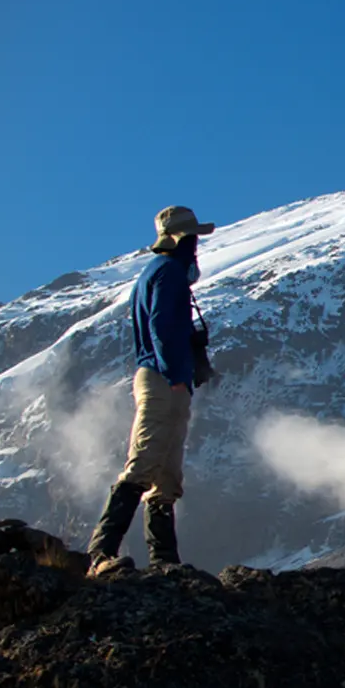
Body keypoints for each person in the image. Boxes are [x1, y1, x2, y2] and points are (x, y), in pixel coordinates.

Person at [87, 206, 214, 574]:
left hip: (163, 377)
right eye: (192, 238)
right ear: (182, 239)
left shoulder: (153, 273)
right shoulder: (170, 273)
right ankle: (100, 555)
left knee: (166, 471)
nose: (195, 246)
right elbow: (160, 324)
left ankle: (164, 562)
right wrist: (176, 371)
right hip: (163, 379)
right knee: (144, 462)